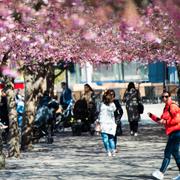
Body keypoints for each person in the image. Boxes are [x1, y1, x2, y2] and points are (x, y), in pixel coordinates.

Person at [148, 90, 180, 180]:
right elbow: (161, 121)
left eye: (166, 96)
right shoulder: (166, 108)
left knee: (167, 153)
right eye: (162, 97)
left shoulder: (172, 106)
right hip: (172, 132)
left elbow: (178, 119)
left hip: (176, 132)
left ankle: (161, 173)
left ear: (170, 97)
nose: (164, 98)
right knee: (176, 154)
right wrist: (152, 116)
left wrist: (167, 121)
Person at [99, 90, 117, 157]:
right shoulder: (112, 105)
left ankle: (108, 151)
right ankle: (113, 151)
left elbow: (99, 114)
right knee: (111, 139)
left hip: (103, 124)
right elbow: (115, 109)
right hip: (111, 124)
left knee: (105, 139)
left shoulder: (102, 105)